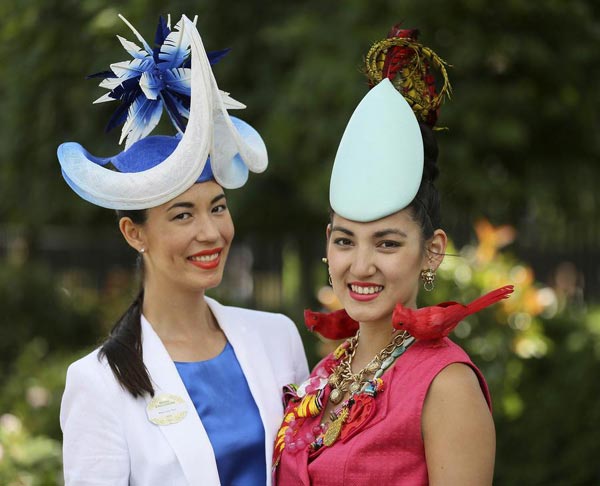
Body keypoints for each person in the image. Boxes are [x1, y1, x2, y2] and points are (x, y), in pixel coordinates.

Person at [58, 14, 308, 486]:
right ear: (135, 234)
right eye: (181, 215)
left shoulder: (278, 339)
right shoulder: (98, 383)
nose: (211, 233)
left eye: (217, 207)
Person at [272, 26, 513, 485]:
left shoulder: (447, 385)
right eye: (344, 241)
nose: (360, 266)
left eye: (386, 243)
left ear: (432, 251)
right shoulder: (327, 371)